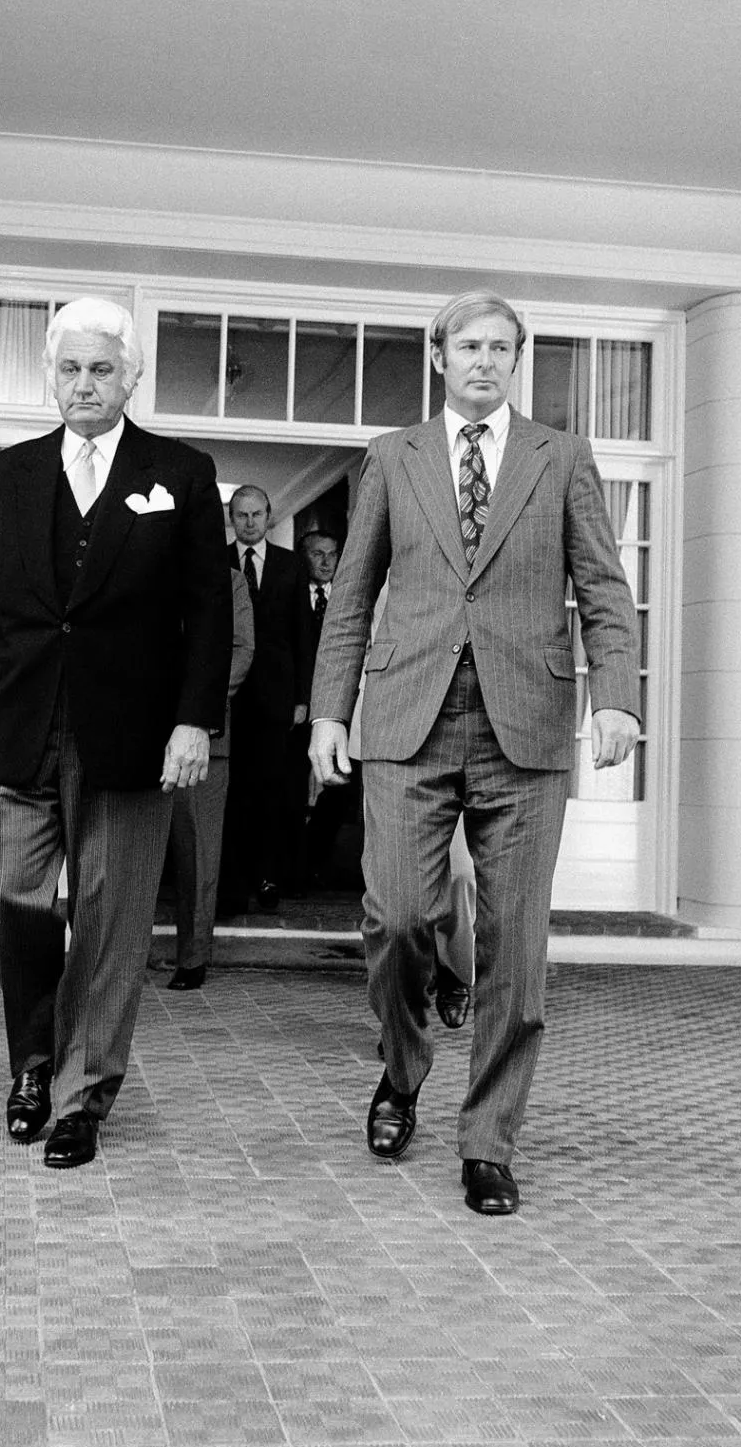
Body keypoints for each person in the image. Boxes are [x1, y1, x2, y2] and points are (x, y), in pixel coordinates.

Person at [309, 290, 639, 1215]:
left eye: (501, 348)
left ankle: (488, 1139)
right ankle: (403, 1066)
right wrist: (330, 713)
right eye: (469, 346)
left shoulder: (562, 458)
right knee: (401, 917)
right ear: (440, 356)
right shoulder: (391, 458)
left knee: (514, 950)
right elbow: (351, 597)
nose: (485, 361)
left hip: (524, 727)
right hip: (408, 718)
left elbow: (604, 588)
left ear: (516, 360)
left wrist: (616, 697)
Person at [0, 296, 230, 1169]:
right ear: (49, 377)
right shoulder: (9, 475)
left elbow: (206, 612)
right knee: (5, 899)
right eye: (69, 368)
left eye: (102, 369)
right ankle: (34, 1061)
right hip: (18, 724)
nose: (84, 384)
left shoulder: (179, 472)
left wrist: (193, 722)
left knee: (110, 922)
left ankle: (80, 1098)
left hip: (132, 737)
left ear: (130, 377)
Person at [222, 486, 314, 910]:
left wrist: (302, 698)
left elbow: (303, 635)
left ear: (269, 515)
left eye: (257, 514)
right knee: (232, 791)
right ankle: (232, 883)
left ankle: (269, 878)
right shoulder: (216, 564)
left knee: (274, 791)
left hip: (278, 699)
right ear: (231, 517)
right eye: (241, 515)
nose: (250, 522)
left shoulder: (292, 566)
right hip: (230, 697)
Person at [166, 564, 255, 989]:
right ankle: (119, 957)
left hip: (204, 738)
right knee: (122, 850)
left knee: (197, 853)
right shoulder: (136, 559)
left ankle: (193, 957)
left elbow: (241, 649)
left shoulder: (228, 579)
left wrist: (196, 709)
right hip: (131, 731)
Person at [299, 529, 359, 889]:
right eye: (318, 554)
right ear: (304, 556)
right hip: (298, 709)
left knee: (337, 791)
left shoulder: (351, 598)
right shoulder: (294, 592)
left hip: (342, 712)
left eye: (332, 554)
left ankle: (319, 866)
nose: (325, 562)